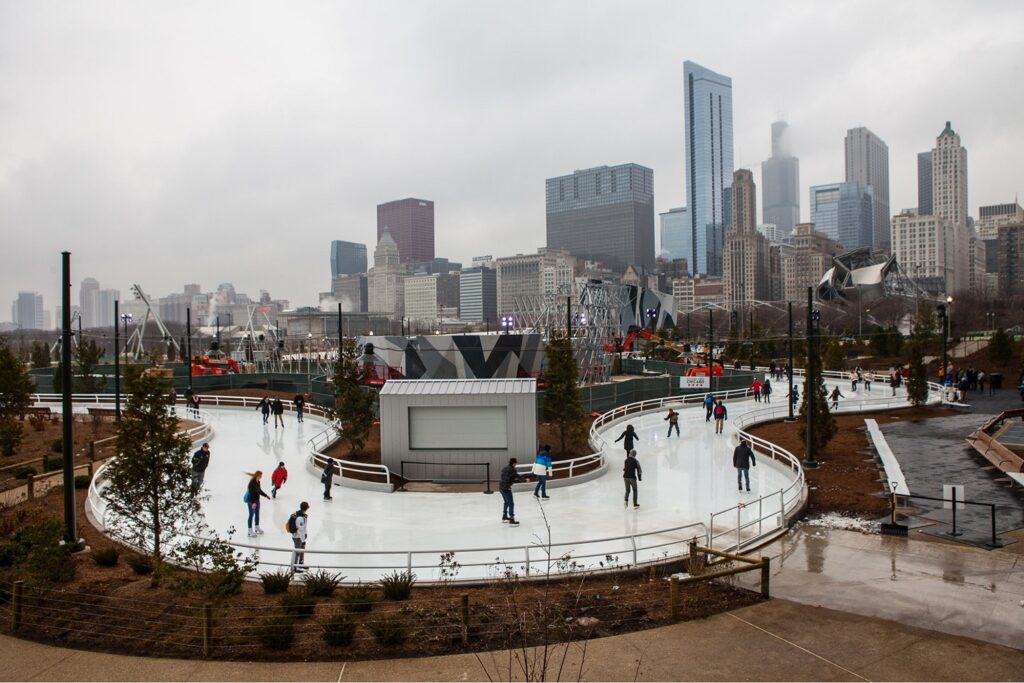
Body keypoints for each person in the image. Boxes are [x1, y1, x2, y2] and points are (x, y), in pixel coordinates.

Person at [499, 457, 526, 525]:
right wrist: (525, 480)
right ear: (514, 463)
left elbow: (508, 478)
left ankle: (504, 516)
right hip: (506, 488)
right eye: (516, 463)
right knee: (511, 503)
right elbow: (517, 476)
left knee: (506, 502)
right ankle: (511, 519)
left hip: (501, 487)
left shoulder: (505, 468)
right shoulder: (512, 469)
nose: (516, 464)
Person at [244, 471, 271, 537]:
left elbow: (259, 491)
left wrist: (266, 495)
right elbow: (251, 493)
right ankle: (250, 530)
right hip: (251, 501)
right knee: (251, 514)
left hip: (257, 501)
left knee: (257, 514)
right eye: (261, 475)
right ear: (258, 475)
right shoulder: (251, 483)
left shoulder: (258, 482)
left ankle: (256, 527)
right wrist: (253, 503)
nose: (261, 477)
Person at [289, 501, 310, 572]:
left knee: (301, 550)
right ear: (306, 508)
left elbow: (304, 528)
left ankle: (301, 562)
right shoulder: (300, 518)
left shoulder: (303, 515)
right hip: (297, 537)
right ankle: (295, 567)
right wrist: (303, 540)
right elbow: (300, 530)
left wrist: (305, 534)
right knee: (297, 551)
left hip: (300, 536)